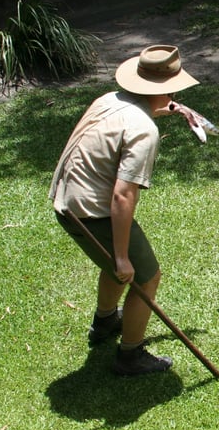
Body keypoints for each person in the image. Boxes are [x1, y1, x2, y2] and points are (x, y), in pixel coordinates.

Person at [50, 45, 200, 376]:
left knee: (121, 267)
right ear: (168, 86)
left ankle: (105, 322)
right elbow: (122, 196)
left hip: (67, 201)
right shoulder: (144, 131)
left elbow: (130, 115)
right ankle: (129, 355)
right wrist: (121, 256)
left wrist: (169, 109)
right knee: (144, 277)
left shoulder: (109, 100)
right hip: (92, 213)